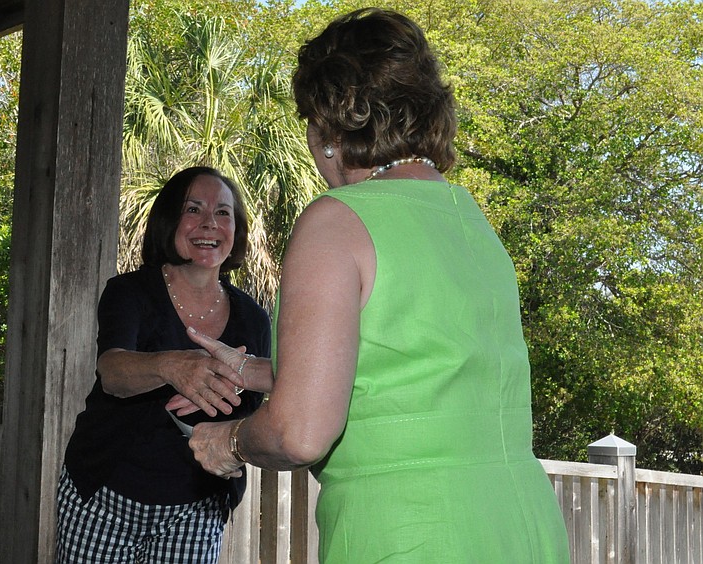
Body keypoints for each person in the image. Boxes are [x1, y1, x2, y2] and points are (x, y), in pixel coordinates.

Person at [185, 8, 570, 563]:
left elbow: (300, 433)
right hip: (524, 525)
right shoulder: (470, 219)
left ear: (329, 128)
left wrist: (230, 441)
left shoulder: (337, 220)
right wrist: (251, 371)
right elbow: (410, 374)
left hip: (412, 530)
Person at [56, 166, 271, 563]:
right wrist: (173, 366)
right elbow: (113, 374)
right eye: (194, 209)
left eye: (223, 213)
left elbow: (253, 412)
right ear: (169, 220)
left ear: (236, 231)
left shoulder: (253, 317)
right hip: (104, 496)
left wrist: (233, 426)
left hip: (195, 507)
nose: (210, 223)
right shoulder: (130, 292)